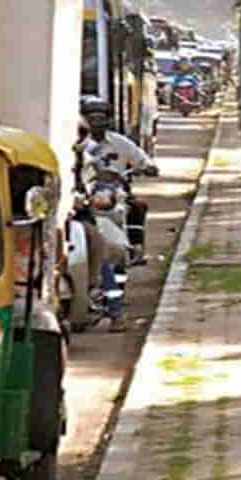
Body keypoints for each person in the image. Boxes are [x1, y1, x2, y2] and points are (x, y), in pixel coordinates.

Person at [78, 96, 160, 331]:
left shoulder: (119, 143)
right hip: (83, 203)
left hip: (111, 197)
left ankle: (134, 250)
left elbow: (142, 159)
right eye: (90, 118)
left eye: (100, 118)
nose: (95, 123)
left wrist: (146, 166)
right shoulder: (78, 147)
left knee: (134, 212)